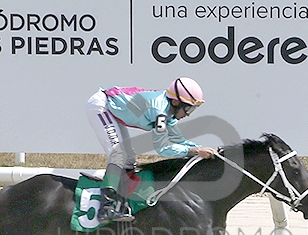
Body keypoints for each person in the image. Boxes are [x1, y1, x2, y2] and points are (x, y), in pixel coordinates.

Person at [86, 77, 218, 222]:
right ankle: (105, 208)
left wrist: (200, 148)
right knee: (119, 155)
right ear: (175, 102)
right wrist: (195, 151)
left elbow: (178, 140)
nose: (187, 114)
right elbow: (163, 148)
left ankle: (122, 201)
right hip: (102, 106)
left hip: (113, 110)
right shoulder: (159, 112)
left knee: (129, 158)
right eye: (188, 108)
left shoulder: (169, 112)